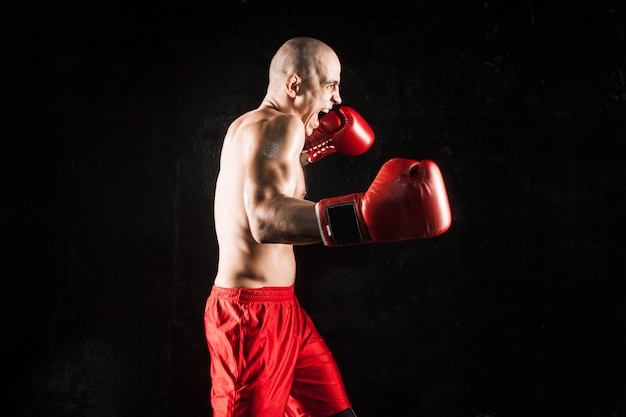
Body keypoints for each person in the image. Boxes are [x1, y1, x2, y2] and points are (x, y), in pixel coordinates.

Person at [205, 37, 452, 417]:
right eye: (330, 85)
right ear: (294, 85)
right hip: (251, 319)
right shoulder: (281, 126)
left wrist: (312, 150)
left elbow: (263, 181)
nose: (337, 99)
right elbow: (264, 219)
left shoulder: (249, 125)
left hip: (284, 310)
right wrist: (362, 217)